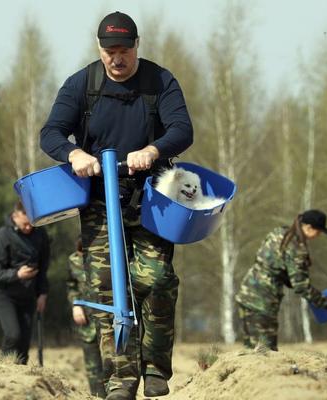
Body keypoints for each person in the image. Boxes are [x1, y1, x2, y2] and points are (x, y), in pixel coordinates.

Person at [41, 11, 193, 400]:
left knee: (156, 279)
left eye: (124, 50)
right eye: (110, 51)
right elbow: (51, 132)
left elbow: (182, 129)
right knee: (109, 290)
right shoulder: (82, 84)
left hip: (152, 199)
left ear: (137, 46)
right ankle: (120, 380)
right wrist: (74, 154)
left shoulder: (160, 81)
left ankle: (155, 368)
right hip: (98, 201)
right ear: (99, 49)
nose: (117, 59)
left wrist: (154, 149)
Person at [235, 210, 327, 351]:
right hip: (263, 302)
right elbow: (301, 287)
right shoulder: (297, 249)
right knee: (265, 352)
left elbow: (266, 259)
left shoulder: (279, 233)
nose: (319, 235)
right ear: (309, 227)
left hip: (246, 293)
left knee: (251, 348)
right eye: (318, 231)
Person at [0, 201, 49, 365]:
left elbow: (43, 266)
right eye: (25, 224)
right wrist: (17, 274)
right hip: (4, 294)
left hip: (28, 294)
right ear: (15, 216)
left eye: (31, 223)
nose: (29, 227)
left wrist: (42, 293)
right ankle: (4, 369)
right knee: (13, 334)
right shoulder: (1, 236)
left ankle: (21, 376)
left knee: (24, 340)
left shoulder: (40, 234)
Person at [67, 236, 106, 398]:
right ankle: (97, 396)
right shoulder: (73, 260)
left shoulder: (106, 256)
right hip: (86, 316)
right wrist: (75, 305)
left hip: (107, 314)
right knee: (92, 363)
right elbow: (71, 285)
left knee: (113, 359)